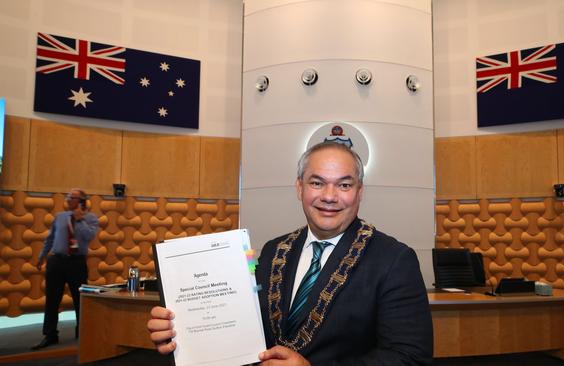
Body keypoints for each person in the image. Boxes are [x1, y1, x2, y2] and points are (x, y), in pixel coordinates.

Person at [148, 142, 434, 365]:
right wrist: (181, 331)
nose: (330, 196)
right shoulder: (274, 250)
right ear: (299, 188)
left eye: (344, 185)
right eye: (317, 182)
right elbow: (243, 328)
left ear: (360, 192)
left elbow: (409, 357)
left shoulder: (394, 260)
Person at [31, 188, 99, 350]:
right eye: (68, 196)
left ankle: (82, 333)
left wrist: (80, 220)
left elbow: (89, 236)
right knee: (52, 299)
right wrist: (42, 256)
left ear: (81, 201)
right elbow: (50, 238)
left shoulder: (91, 219)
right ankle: (50, 334)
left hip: (77, 263)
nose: (68, 199)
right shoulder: (60, 217)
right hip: (56, 261)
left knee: (80, 299)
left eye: (72, 197)